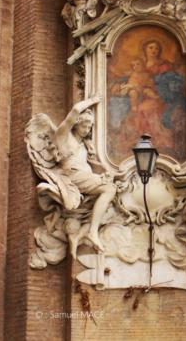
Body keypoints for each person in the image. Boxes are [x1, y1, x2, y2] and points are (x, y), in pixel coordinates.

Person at [55, 95, 116, 252]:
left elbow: (90, 166)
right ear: (76, 124)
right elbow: (75, 110)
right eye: (85, 126)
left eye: (90, 127)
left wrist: (104, 175)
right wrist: (93, 100)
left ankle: (78, 235)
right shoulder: (64, 136)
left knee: (107, 207)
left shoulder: (84, 145)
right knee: (109, 189)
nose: (87, 130)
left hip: (84, 179)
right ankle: (93, 232)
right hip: (72, 177)